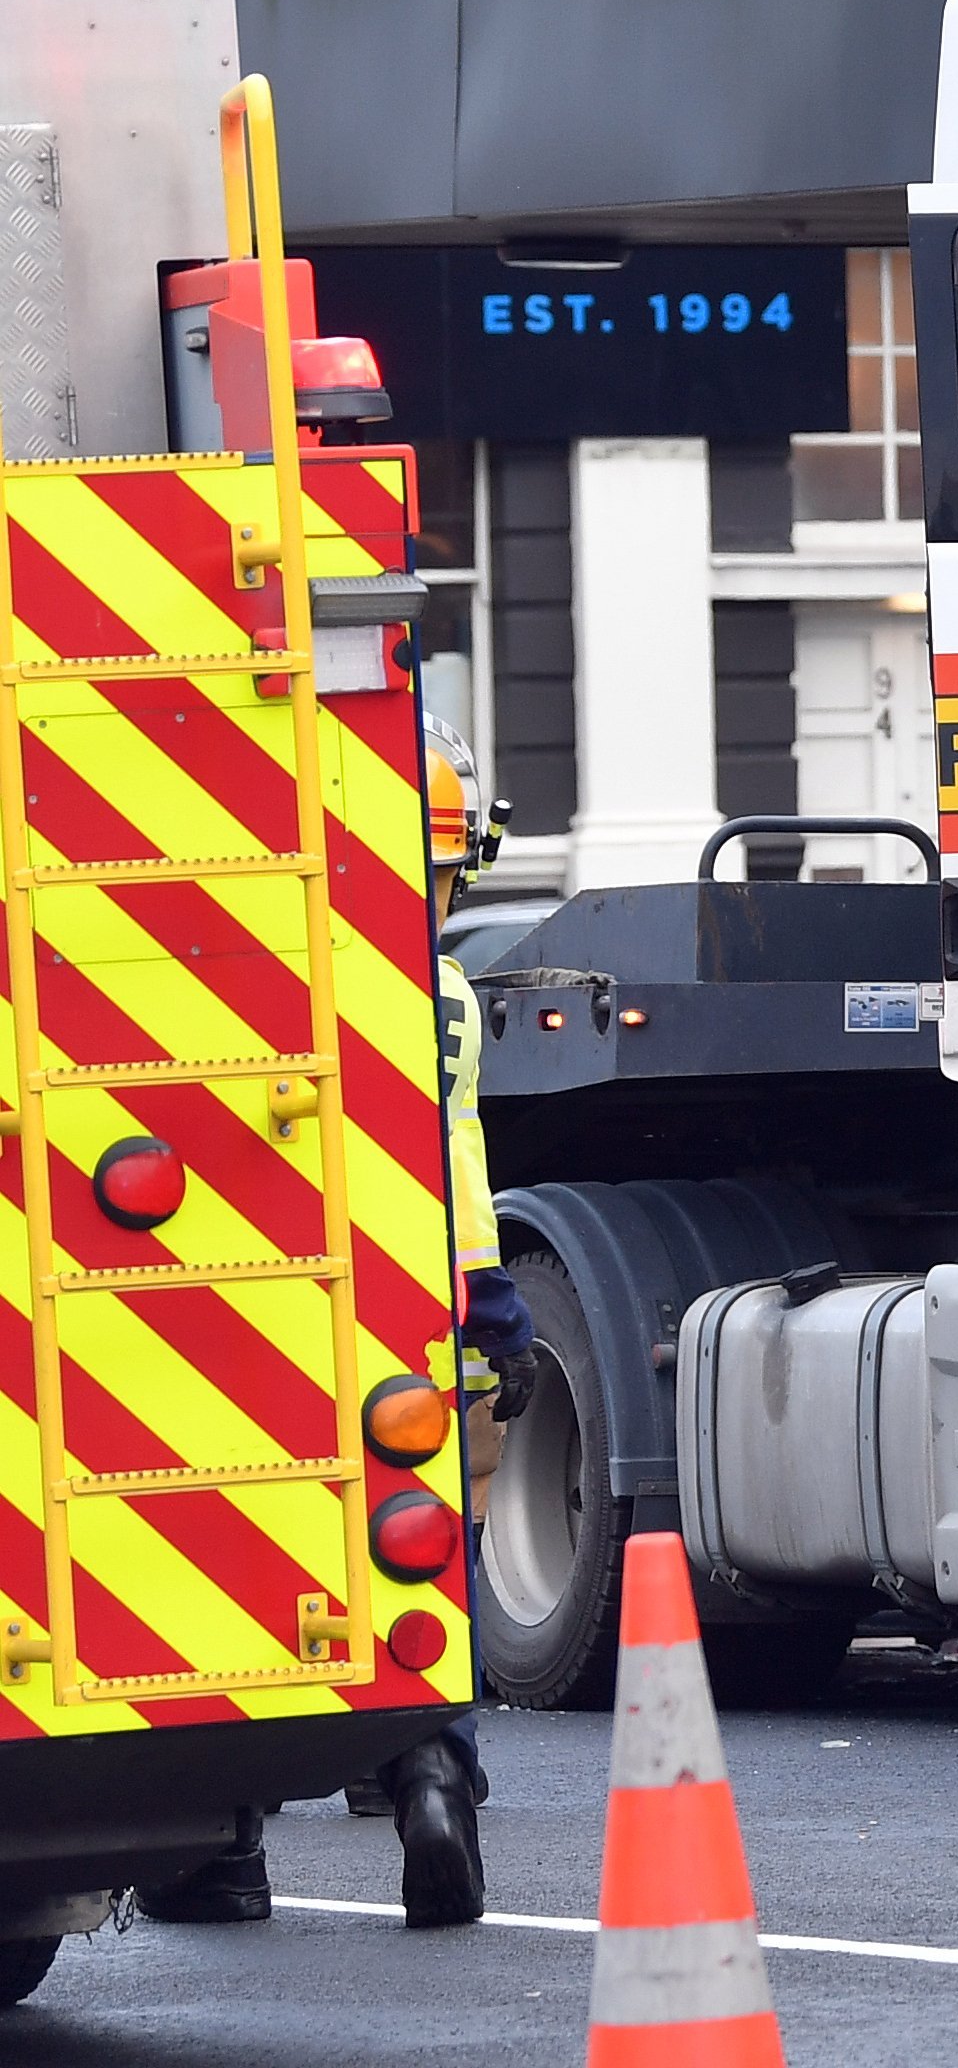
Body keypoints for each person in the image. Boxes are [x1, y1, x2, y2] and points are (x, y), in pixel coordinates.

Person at [144, 716, 507, 1930]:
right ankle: (428, 1773)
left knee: (232, 1561)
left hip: (249, 1300)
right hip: (401, 1313)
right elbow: (454, 1163)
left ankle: (221, 1851)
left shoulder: (238, 961)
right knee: (403, 1548)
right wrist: (486, 1305)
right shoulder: (439, 994)